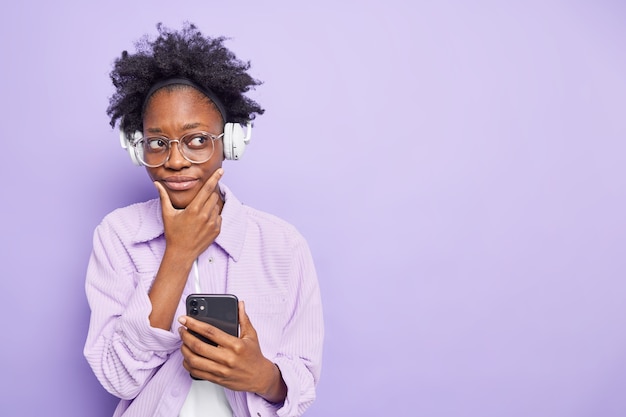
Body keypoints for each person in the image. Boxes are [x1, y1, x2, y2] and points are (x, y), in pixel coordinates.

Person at [83, 22, 324, 417]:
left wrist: (261, 375)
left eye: (196, 140)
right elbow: (118, 377)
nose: (176, 161)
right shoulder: (118, 236)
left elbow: (302, 380)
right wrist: (178, 254)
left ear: (230, 142)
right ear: (137, 147)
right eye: (157, 143)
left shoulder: (283, 245)